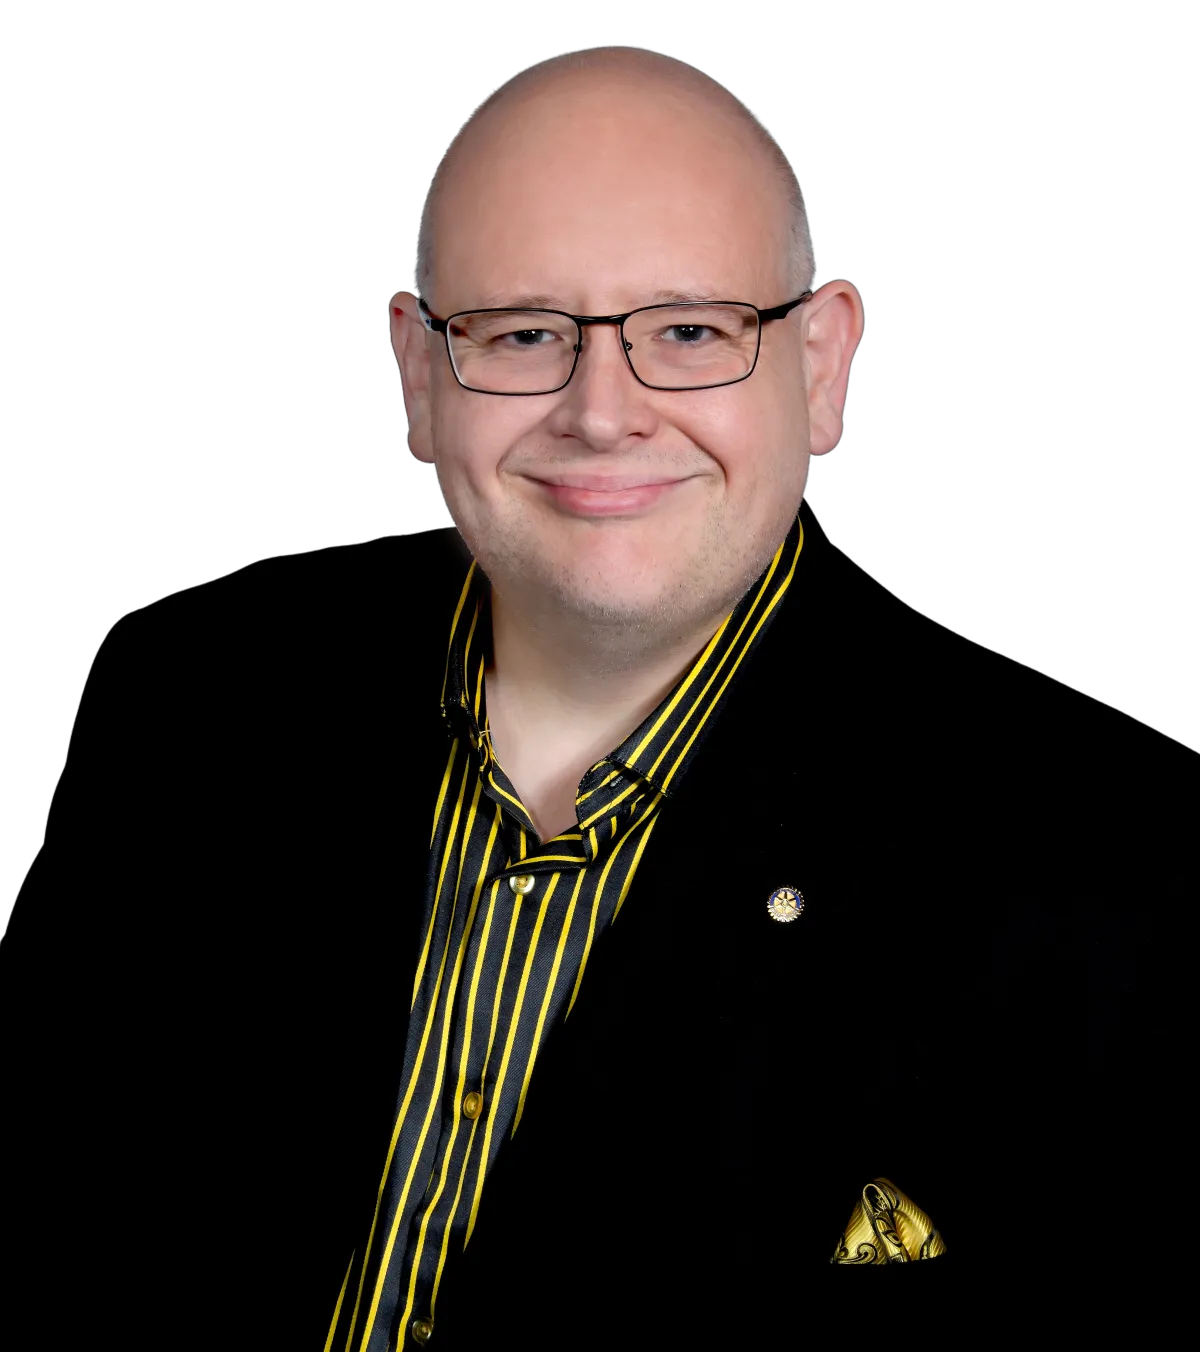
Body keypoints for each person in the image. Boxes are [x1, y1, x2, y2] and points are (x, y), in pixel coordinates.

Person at [2, 44, 1189, 1350]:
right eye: (523, 333)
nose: (602, 412)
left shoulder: (1111, 857)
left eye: (690, 331)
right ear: (417, 377)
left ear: (823, 368)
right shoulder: (187, 695)